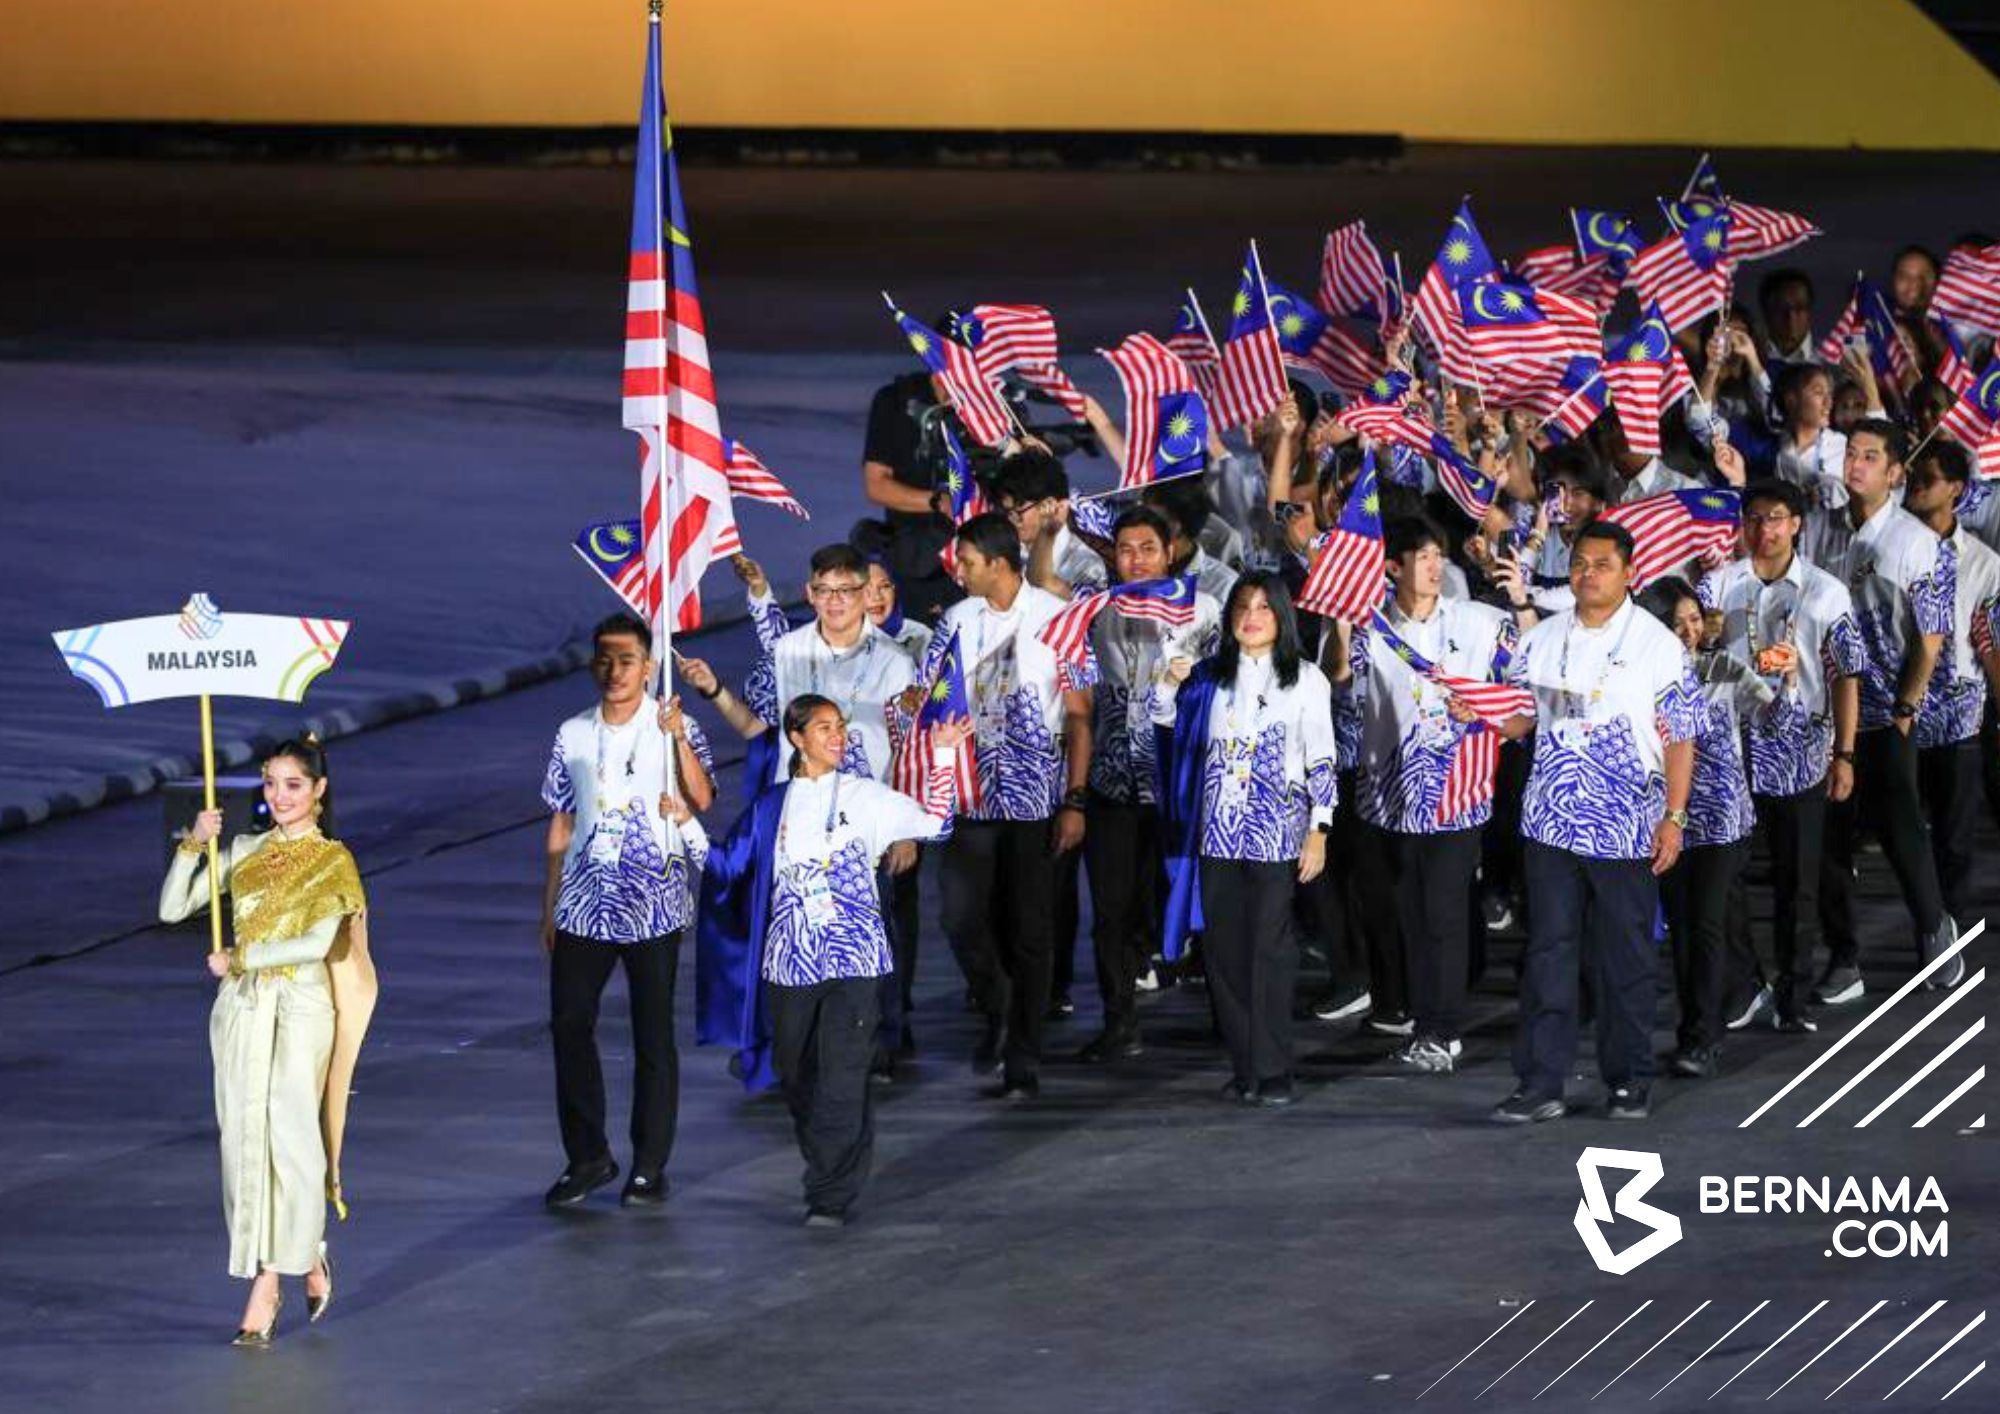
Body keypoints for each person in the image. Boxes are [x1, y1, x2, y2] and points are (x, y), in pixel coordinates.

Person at [700, 695, 970, 1227]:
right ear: (796, 739)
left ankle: (830, 1191)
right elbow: (725, 866)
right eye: (823, 727)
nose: (838, 735)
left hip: (856, 961)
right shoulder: (772, 806)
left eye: (841, 726)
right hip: (790, 964)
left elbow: (937, 825)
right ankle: (826, 1159)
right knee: (796, 1073)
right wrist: (680, 825)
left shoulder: (867, 796)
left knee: (843, 1075)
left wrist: (941, 756)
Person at [1486, 519, 1701, 1123]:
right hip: (1550, 822)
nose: (1587, 574)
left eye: (1602, 564)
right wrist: (1476, 709)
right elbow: (1521, 720)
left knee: (1624, 955)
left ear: (1629, 573)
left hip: (1627, 823)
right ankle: (1540, 1083)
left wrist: (1675, 817)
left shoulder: (1656, 644)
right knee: (1548, 953)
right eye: (1579, 562)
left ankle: (1629, 1078)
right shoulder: (1543, 637)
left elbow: (1682, 735)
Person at [678, 545, 924, 1071]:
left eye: (846, 591)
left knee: (871, 932)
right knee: (794, 932)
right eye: (825, 590)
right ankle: (797, 1045)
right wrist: (714, 689)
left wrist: (905, 831)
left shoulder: (895, 660)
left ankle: (876, 1044)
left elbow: (908, 749)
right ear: (811, 594)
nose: (835, 601)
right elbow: (757, 728)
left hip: (865, 825)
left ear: (865, 595)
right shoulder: (787, 652)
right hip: (799, 822)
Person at [160, 735, 370, 1345]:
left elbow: (313, 945)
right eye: (272, 784)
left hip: (301, 1007)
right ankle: (302, 1256)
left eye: (294, 785)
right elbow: (174, 909)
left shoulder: (335, 861)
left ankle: (269, 1280)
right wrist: (194, 845)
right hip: (242, 1010)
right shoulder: (244, 849)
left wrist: (244, 955)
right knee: (244, 1143)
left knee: (293, 1143)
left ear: (319, 791)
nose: (280, 796)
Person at [539, 613, 714, 1211]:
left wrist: (680, 737)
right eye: (605, 660)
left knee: (652, 1035)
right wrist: (551, 905)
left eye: (627, 660)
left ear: (648, 667)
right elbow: (561, 820)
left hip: (653, 903)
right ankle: (588, 1156)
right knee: (568, 1024)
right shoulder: (572, 733)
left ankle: (649, 1163)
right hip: (584, 903)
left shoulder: (670, 726)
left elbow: (703, 798)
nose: (615, 671)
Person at [1335, 517, 1517, 1074]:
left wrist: (1483, 710)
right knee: (1408, 915)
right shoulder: (1367, 629)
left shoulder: (1479, 623)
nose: (1436, 567)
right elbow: (1344, 692)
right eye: (1423, 557)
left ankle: (1444, 1028)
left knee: (1442, 914)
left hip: (1457, 794)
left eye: (1439, 555)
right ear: (1393, 567)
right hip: (1387, 800)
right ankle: (1426, 1014)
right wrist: (1339, 632)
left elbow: (1517, 697)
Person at [923, 511, 1092, 1100]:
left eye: (967, 561)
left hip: (1034, 799)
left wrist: (1075, 800)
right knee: (961, 917)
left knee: (1031, 929)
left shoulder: (1056, 619)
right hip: (970, 796)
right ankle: (998, 1004)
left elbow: (1078, 716)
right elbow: (930, 702)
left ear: (998, 563)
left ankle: (1024, 1055)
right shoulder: (955, 621)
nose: (959, 570)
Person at [1155, 572, 1337, 1106]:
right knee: (1225, 953)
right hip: (1215, 834)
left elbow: (1321, 757)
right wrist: (1168, 681)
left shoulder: (1304, 679)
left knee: (1270, 951)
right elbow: (1162, 720)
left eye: (1263, 607)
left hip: (1275, 835)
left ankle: (1275, 1067)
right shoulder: (1209, 676)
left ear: (1281, 617)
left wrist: (1318, 830)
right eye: (1242, 606)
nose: (1251, 616)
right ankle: (1245, 1063)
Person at [1803, 420, 1962, 998]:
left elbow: (1932, 636)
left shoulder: (1918, 543)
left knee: (1899, 829)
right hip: (1828, 711)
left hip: (1888, 708)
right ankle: (1844, 957)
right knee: (1829, 837)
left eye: (1870, 456)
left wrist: (1906, 704)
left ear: (1895, 472)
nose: (1856, 464)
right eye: (1851, 454)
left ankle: (1933, 927)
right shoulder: (1821, 531)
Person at [1699, 478, 1862, 1032]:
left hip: (1801, 750)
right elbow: (1692, 656)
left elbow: (1845, 676)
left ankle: (1793, 998)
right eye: (1754, 519)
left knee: (1800, 879)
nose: (1764, 531)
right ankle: (1745, 985)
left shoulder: (1825, 591)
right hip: (1731, 748)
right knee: (1727, 874)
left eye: (1775, 519)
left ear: (1796, 524)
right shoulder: (1718, 586)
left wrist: (1845, 752)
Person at [1078, 505, 1222, 1061]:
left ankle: (1222, 1017)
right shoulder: (1094, 612)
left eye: (1147, 548)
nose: (1135, 560)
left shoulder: (1204, 610)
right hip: (1114, 782)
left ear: (1171, 551)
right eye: (1125, 549)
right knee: (1112, 911)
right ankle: (1119, 1022)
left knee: (1198, 903)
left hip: (1183, 783)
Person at [1638, 577, 1767, 1078]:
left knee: (1707, 925)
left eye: (1695, 619)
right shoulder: (1645, 677)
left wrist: (1790, 679)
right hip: (1670, 822)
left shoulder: (1724, 668)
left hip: (1722, 820)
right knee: (1684, 927)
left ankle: (1703, 1038)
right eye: (1677, 624)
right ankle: (1700, 1022)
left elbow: (1770, 713)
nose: (1690, 630)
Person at [1903, 441, 2000, 935]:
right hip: (1900, 711)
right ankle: (1927, 921)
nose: (1917, 485)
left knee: (1954, 836)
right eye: (1915, 475)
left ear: (1956, 490)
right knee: (1904, 833)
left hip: (1960, 715)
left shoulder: (1984, 563)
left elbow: (1991, 642)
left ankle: (1950, 933)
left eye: (1930, 478)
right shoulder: (1892, 547)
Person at [856, 365, 962, 622]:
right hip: (914, 557)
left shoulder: (992, 404)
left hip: (974, 558)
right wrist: (938, 502)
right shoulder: (895, 401)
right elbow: (876, 485)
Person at [864, 555, 933, 666]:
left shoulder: (920, 635)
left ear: (894, 589)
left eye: (884, 586)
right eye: (865, 588)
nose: (877, 596)